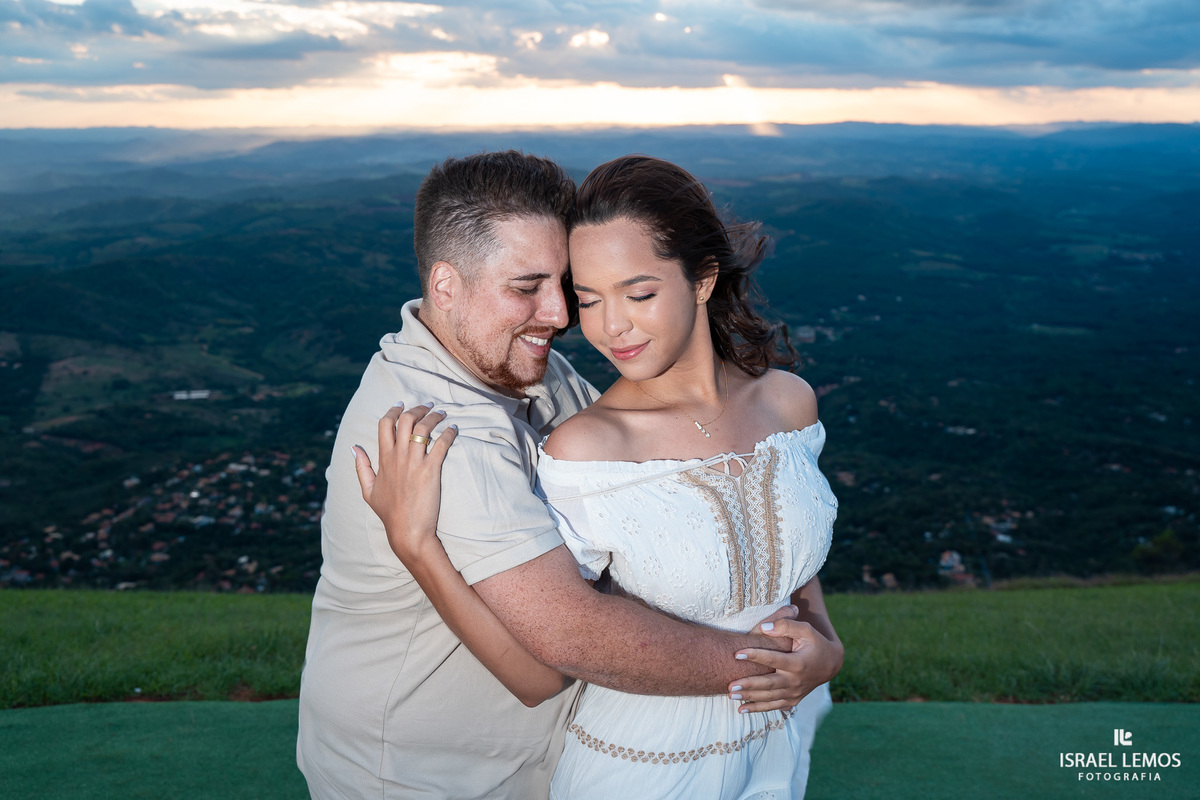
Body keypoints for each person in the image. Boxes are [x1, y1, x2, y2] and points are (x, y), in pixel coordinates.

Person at [299, 150, 841, 799]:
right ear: (445, 287)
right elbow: (558, 652)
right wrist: (790, 668)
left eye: (565, 287)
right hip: (425, 776)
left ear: (702, 279)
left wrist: (822, 647)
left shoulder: (521, 363)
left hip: (545, 757)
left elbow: (720, 498)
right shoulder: (440, 434)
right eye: (528, 287)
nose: (563, 316)